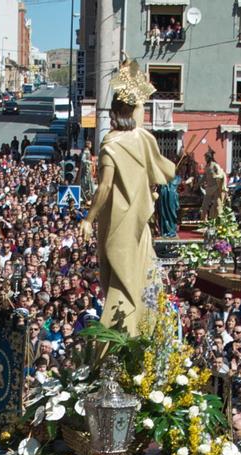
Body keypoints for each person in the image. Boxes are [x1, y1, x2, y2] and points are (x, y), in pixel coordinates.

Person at [78, 60, 176, 336]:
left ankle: (124, 333)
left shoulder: (111, 144)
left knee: (122, 279)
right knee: (134, 275)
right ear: (131, 111)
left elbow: (105, 187)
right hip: (134, 222)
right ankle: (135, 331)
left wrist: (88, 219)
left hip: (119, 221)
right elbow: (164, 168)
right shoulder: (144, 139)